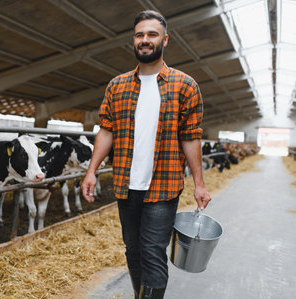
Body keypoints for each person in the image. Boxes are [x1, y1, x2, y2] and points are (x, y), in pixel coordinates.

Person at [81, 10, 211, 299]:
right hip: (126, 185)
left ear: (165, 40)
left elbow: (191, 138)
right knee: (133, 251)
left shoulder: (185, 85)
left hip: (163, 186)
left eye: (152, 34)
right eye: (140, 35)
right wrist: (91, 170)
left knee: (152, 251)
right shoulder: (118, 85)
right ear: (134, 41)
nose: (145, 40)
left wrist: (199, 184)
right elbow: (106, 131)